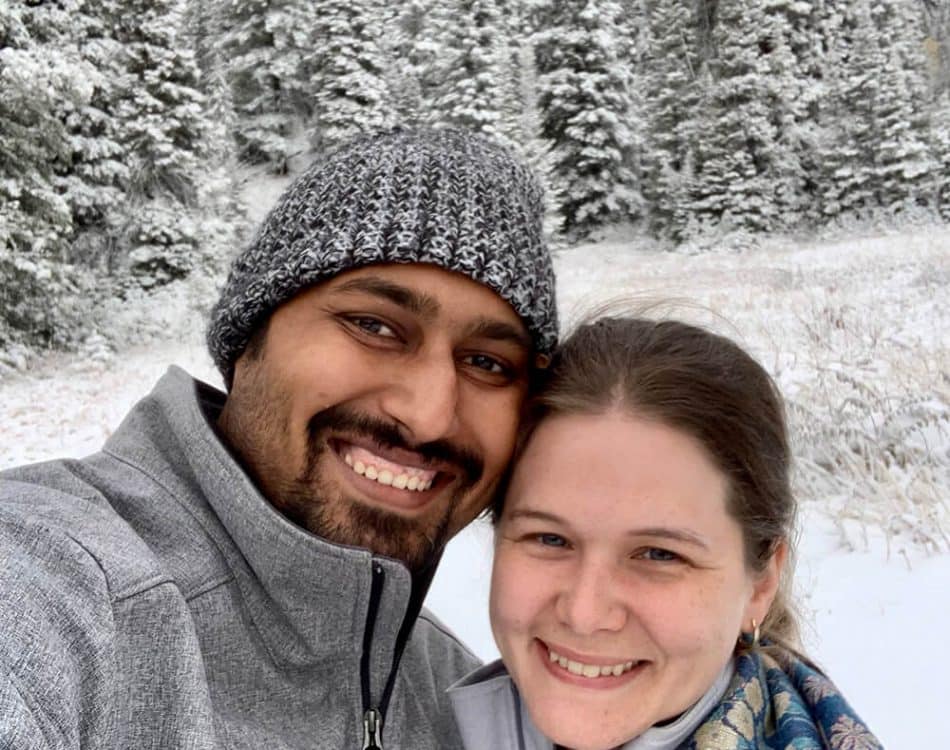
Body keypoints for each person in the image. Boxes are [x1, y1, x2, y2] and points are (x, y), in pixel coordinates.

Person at [0, 128, 557, 749]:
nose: (428, 417)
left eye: (487, 363)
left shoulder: (455, 696)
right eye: (373, 325)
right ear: (249, 343)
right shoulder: (56, 586)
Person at [449, 317, 882, 750]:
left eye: (659, 555)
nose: (584, 613)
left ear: (761, 583)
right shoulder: (412, 715)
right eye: (550, 539)